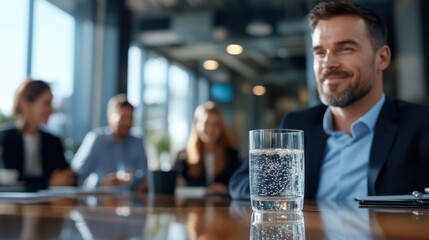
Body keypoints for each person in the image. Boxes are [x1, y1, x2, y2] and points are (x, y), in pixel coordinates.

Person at [229, 0, 429, 200]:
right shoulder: (298, 125)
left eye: (345, 49)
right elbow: (240, 182)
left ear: (382, 58)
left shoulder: (420, 126)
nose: (328, 63)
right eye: (320, 52)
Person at [0, 79, 76, 191]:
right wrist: (48, 182)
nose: (52, 110)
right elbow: (7, 183)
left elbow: (68, 178)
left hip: (50, 206)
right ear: (26, 103)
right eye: (46, 104)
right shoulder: (4, 138)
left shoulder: (53, 141)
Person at [71, 94, 148, 192]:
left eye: (130, 118)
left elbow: (144, 176)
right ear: (110, 116)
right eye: (123, 117)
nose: (127, 123)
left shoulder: (137, 142)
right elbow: (77, 175)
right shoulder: (97, 140)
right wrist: (102, 184)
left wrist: (131, 180)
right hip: (98, 200)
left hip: (130, 202)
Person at [174, 101, 240, 196]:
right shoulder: (183, 157)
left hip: (223, 208)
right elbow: (176, 187)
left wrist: (226, 189)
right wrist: (206, 190)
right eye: (205, 123)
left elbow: (238, 184)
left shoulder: (231, 155)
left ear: (221, 127)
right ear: (197, 125)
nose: (210, 129)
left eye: (215, 124)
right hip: (192, 208)